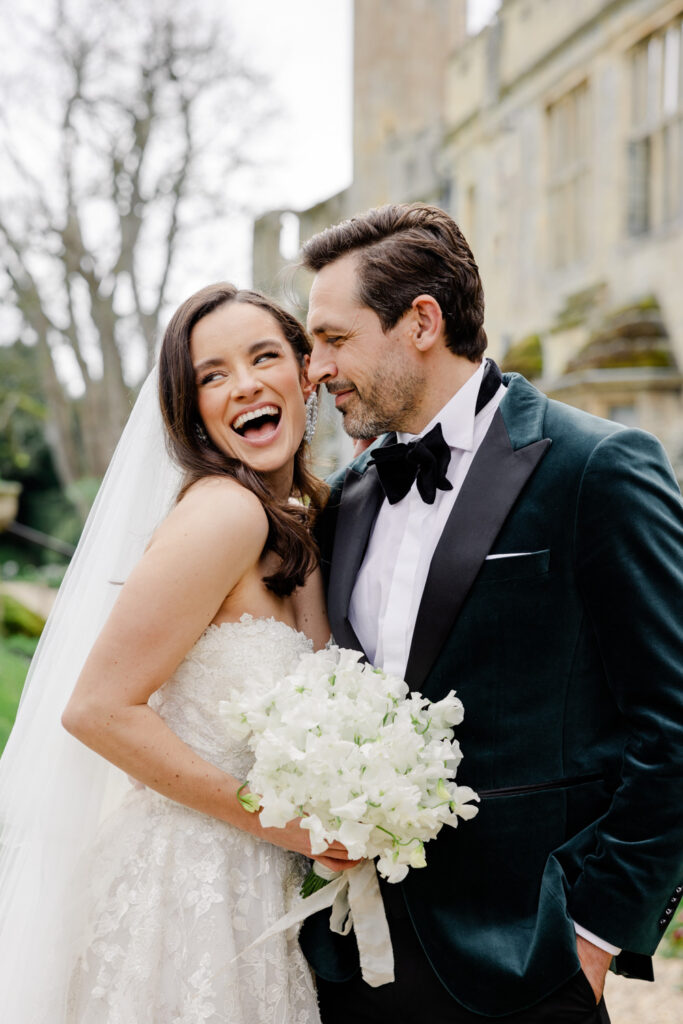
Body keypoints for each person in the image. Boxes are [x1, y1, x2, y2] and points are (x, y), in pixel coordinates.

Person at [297, 202, 683, 1023]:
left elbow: (673, 719)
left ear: (421, 322)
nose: (313, 369)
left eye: (332, 339)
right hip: (353, 956)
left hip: (527, 957)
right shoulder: (352, 497)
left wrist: (591, 933)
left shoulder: (597, 466)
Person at [0, 283, 356, 1022]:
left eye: (263, 357)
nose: (245, 384)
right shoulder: (223, 513)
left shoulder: (302, 519)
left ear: (304, 371)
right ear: (190, 410)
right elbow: (98, 710)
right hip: (184, 893)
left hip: (262, 891)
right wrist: (288, 826)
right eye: (212, 376)